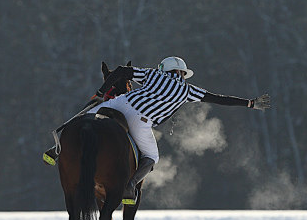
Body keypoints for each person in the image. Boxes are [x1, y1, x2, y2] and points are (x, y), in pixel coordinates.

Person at [74, 56, 270, 205]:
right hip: (140, 121)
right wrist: (249, 103)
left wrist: (101, 93)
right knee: (152, 156)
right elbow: (219, 98)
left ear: (163, 69)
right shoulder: (188, 90)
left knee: (86, 115)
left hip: (121, 103)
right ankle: (130, 185)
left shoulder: (152, 74)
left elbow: (119, 71)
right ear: (181, 73)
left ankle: (58, 145)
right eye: (184, 74)